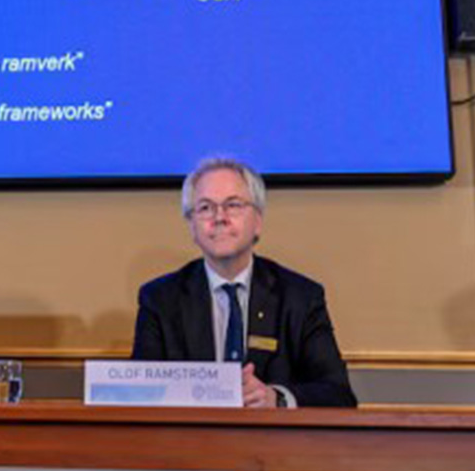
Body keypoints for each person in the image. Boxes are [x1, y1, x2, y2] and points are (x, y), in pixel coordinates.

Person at [132, 155, 355, 408]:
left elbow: (338, 393)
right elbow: (140, 396)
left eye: (233, 205)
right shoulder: (160, 300)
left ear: (257, 221)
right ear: (192, 226)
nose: (219, 217)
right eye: (205, 208)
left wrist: (277, 399)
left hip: (274, 433)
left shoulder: (300, 298)